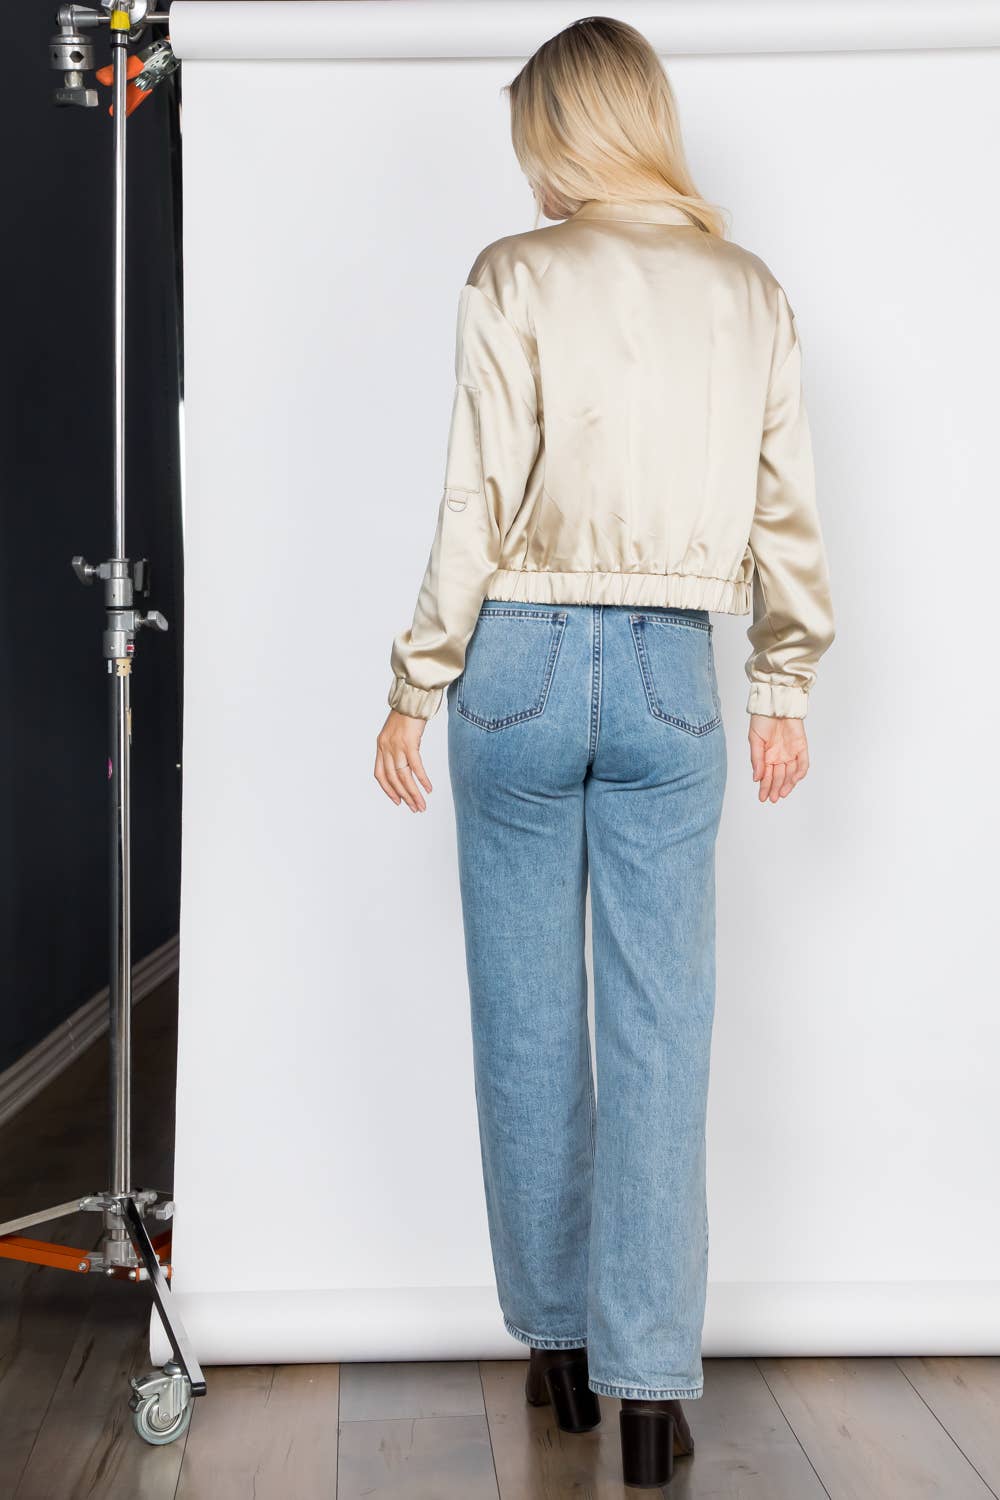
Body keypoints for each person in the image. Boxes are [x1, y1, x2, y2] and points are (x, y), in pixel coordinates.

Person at [374, 15, 835, 1489]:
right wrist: (782, 683)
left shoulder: (514, 273)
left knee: (525, 1018)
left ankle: (560, 1350)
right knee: (662, 1029)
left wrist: (416, 681)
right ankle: (651, 1394)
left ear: (565, 133)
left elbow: (474, 497)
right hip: (669, 672)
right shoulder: (748, 289)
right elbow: (785, 507)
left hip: (513, 662)